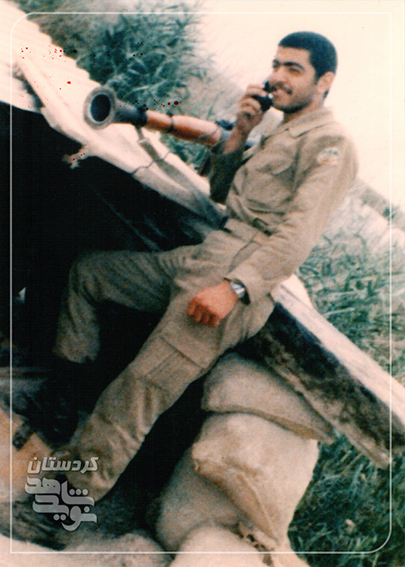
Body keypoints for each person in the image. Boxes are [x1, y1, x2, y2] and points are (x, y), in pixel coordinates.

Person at [52, 31, 358, 502]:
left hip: (238, 272)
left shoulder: (329, 143)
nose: (277, 77)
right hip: (211, 253)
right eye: (276, 65)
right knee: (91, 274)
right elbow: (221, 194)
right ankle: (61, 401)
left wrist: (234, 288)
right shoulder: (281, 131)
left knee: (140, 388)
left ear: (325, 81)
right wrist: (239, 134)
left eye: (293, 69)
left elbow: (297, 236)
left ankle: (64, 507)